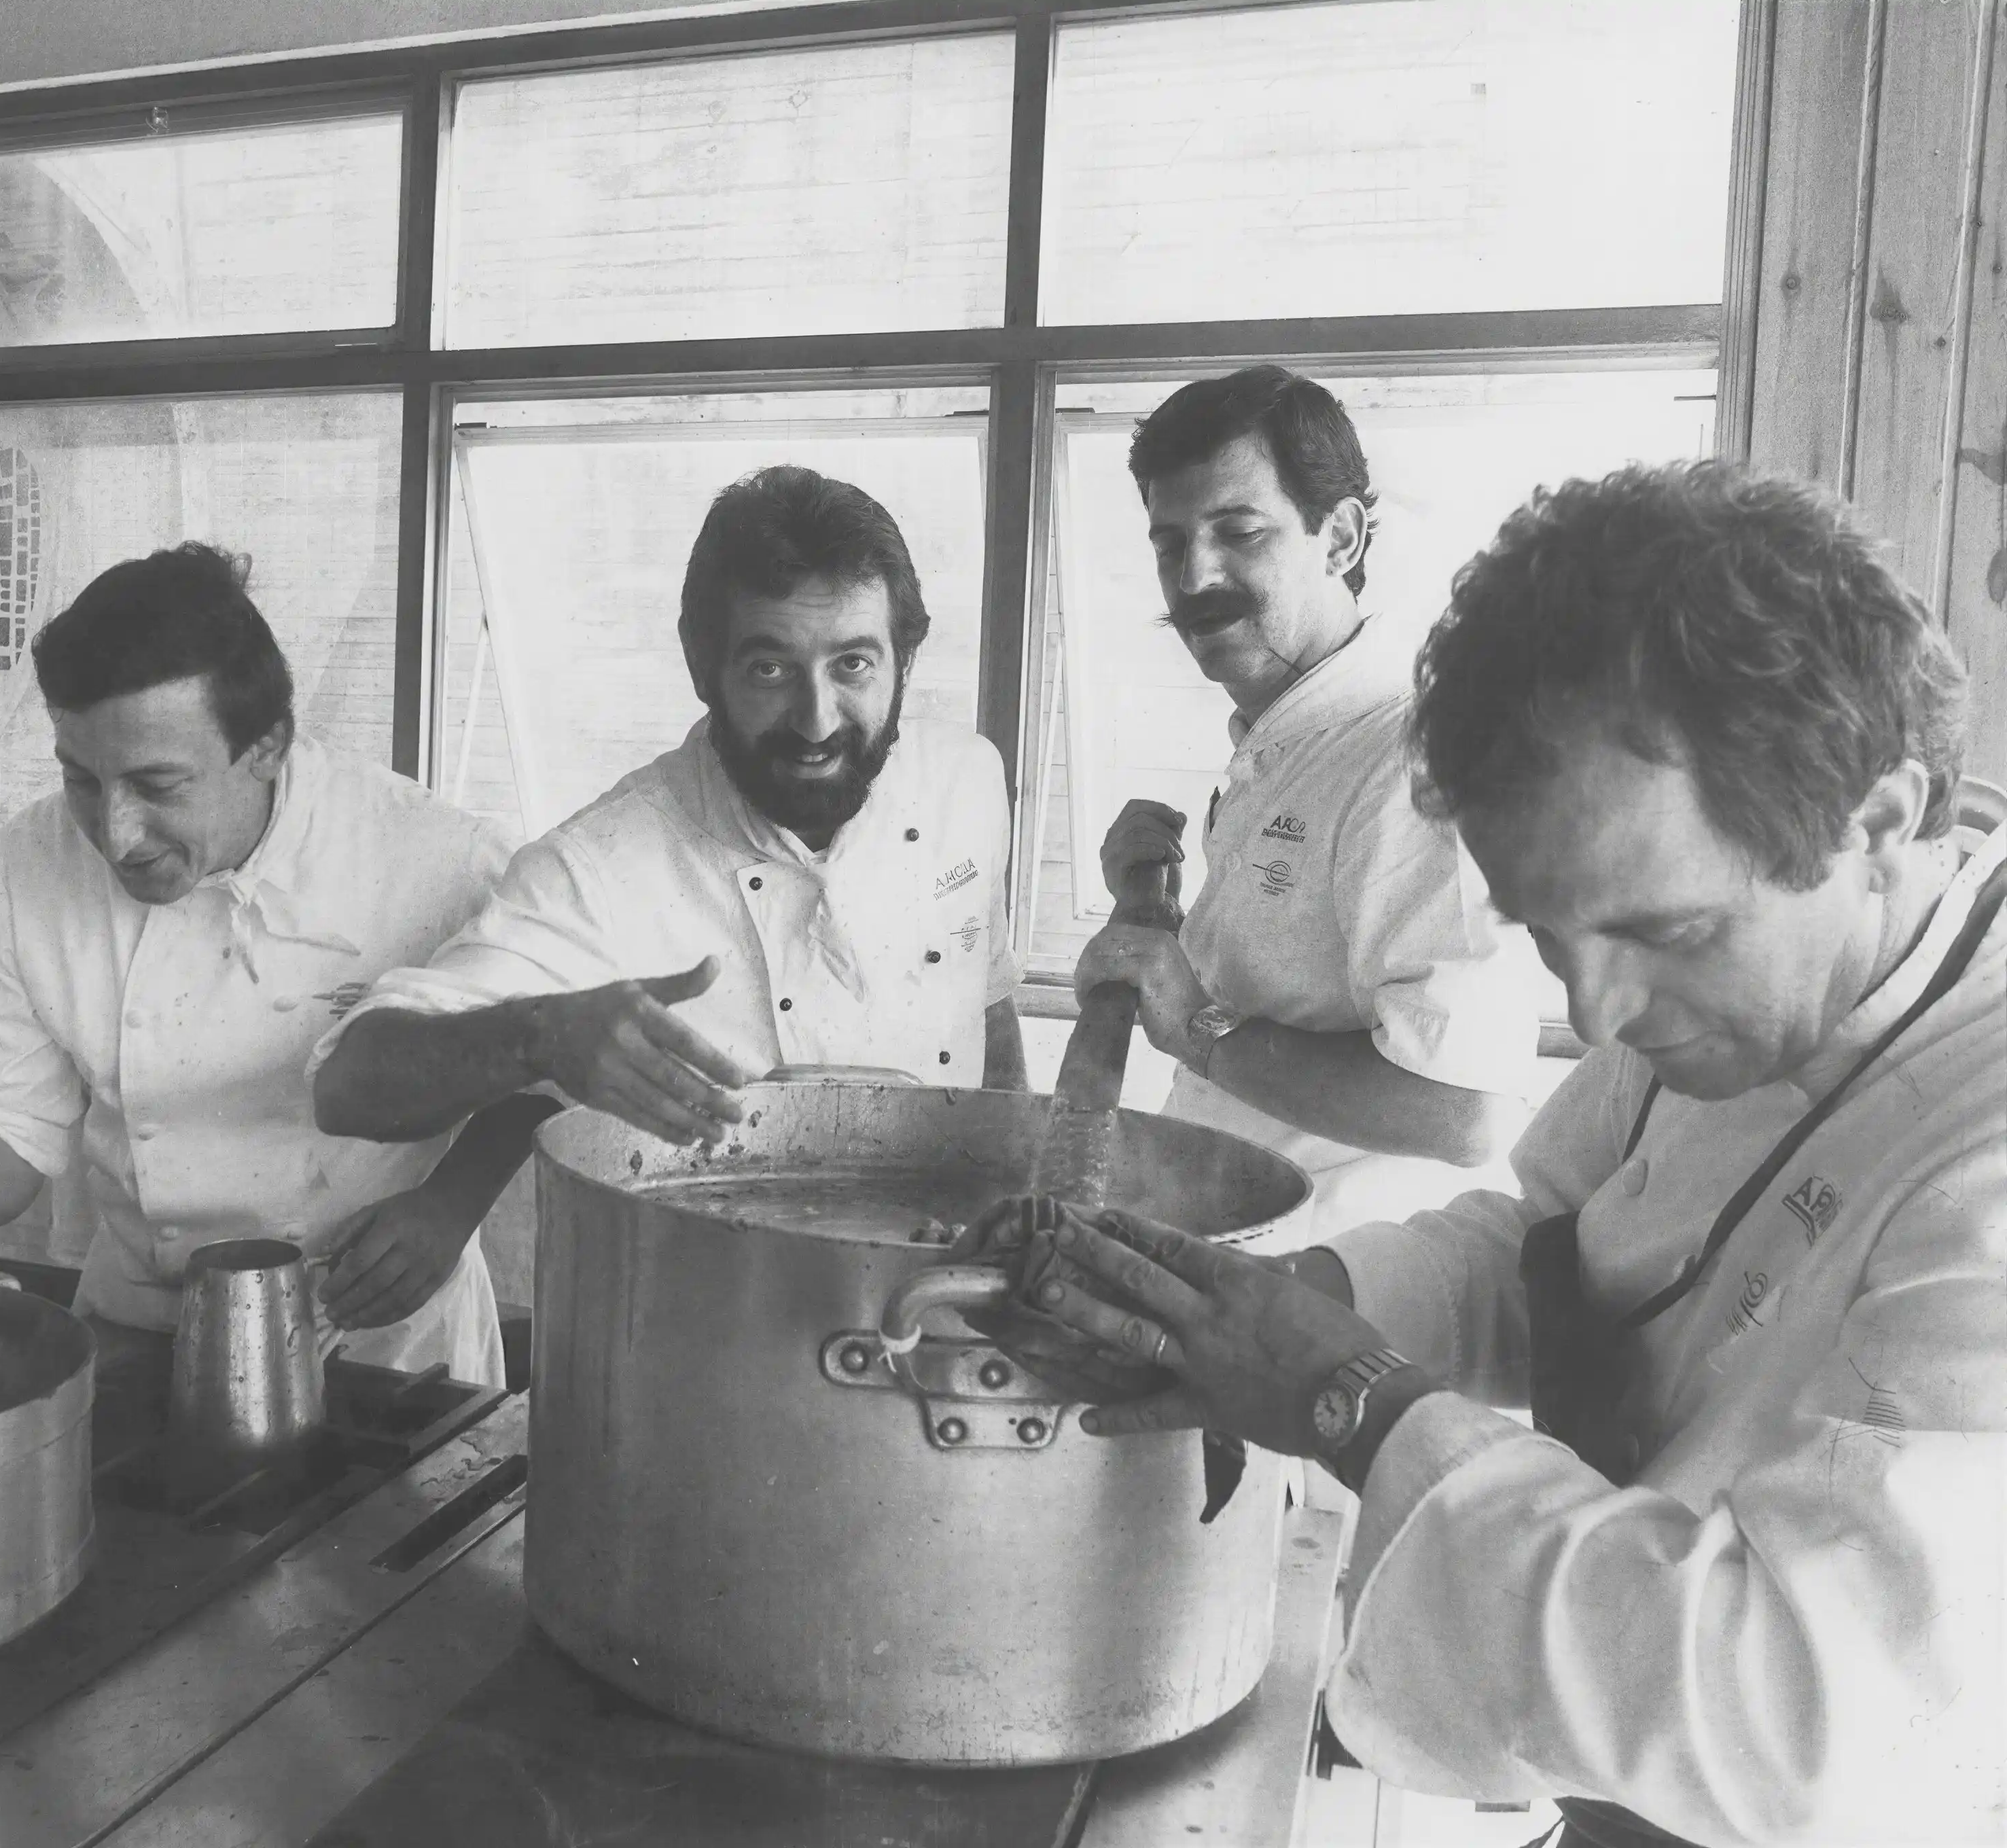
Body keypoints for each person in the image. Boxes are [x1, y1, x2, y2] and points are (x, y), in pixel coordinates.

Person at [1033, 462, 2003, 1843]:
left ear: (1878, 823)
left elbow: (1809, 1725)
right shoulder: (1706, 974)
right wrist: (1278, 1300)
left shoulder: (1981, 1135)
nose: (1596, 1014)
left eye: (1666, 934)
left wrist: (1351, 1401)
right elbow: (1556, 1248)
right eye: (1549, 933)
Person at [0, 544, 527, 1383]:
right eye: (82, 780)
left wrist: (452, 1203)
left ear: (268, 745)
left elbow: (549, 1059)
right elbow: (8, 1124)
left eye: (158, 785)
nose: (116, 835)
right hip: (144, 1323)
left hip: (376, 1332)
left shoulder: (437, 857)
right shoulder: (34, 861)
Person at [315, 465, 1025, 1152]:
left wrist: (1022, 1178)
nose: (816, 721)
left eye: (853, 665)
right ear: (699, 663)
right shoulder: (600, 868)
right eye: (770, 669)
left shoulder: (965, 779)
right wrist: (539, 1038)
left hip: (949, 1222)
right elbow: (348, 1083)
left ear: (906, 660)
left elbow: (987, 1003)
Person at [1073, 367, 1540, 1241]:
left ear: (1340, 539)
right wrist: (1158, 913)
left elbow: (1463, 1110)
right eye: (1169, 543)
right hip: (1230, 1251)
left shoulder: (1410, 756)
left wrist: (1196, 1026)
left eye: (1238, 532)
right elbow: (1288, 978)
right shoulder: (1285, 740)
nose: (1194, 576)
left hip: (1338, 1277)